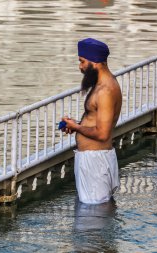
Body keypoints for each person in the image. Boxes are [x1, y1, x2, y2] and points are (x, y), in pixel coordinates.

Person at [61, 38, 122, 204]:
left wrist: (77, 127)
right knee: (95, 215)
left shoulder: (105, 90)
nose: (80, 67)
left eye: (82, 61)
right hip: (94, 160)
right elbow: (96, 121)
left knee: (93, 218)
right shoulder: (103, 85)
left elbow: (102, 134)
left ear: (94, 61)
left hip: (95, 162)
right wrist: (76, 126)